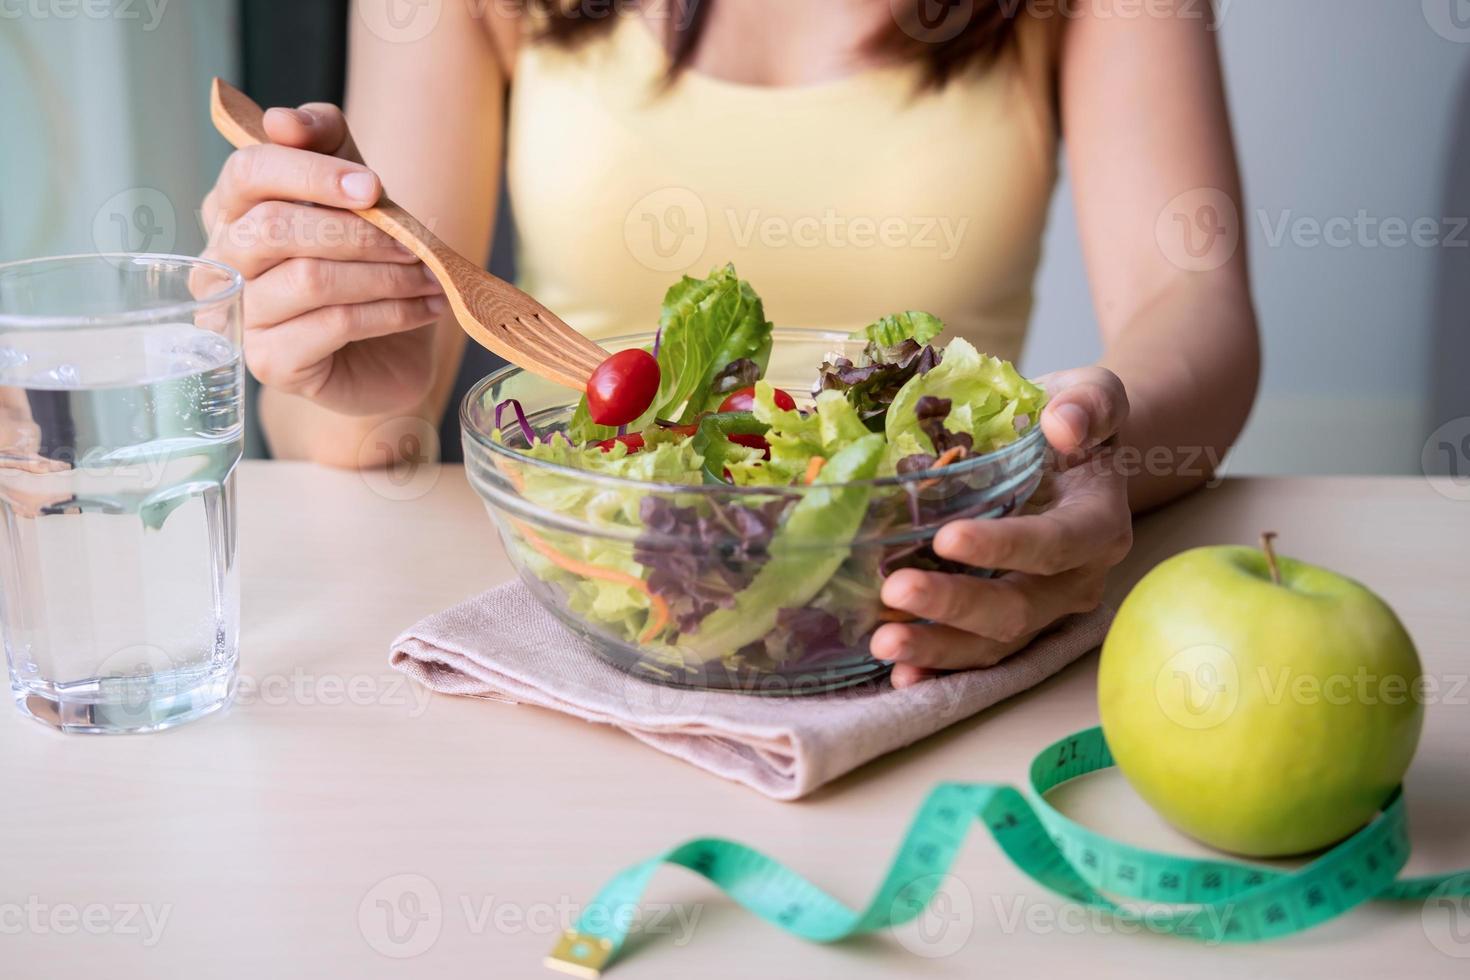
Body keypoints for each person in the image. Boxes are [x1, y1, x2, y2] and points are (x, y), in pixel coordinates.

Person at [200, 0, 1259, 687]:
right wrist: (356, 376)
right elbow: (360, 426)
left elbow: (1192, 301)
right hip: (603, 623)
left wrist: (1085, 442)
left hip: (943, 590)